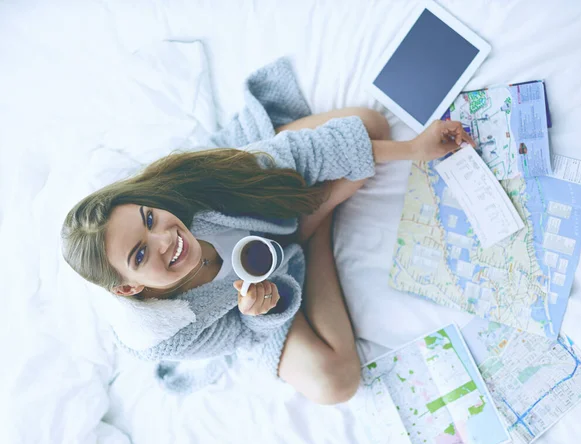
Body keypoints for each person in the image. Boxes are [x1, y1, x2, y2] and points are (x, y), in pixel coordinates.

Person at [62, 59, 473, 405]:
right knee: (335, 383)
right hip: (268, 289)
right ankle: (316, 232)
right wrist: (261, 311)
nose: (166, 238)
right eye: (140, 255)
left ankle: (312, 218)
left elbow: (302, 153)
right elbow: (243, 334)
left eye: (150, 219)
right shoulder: (166, 335)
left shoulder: (190, 187)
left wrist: (414, 149)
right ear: (130, 289)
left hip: (255, 198)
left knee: (369, 126)